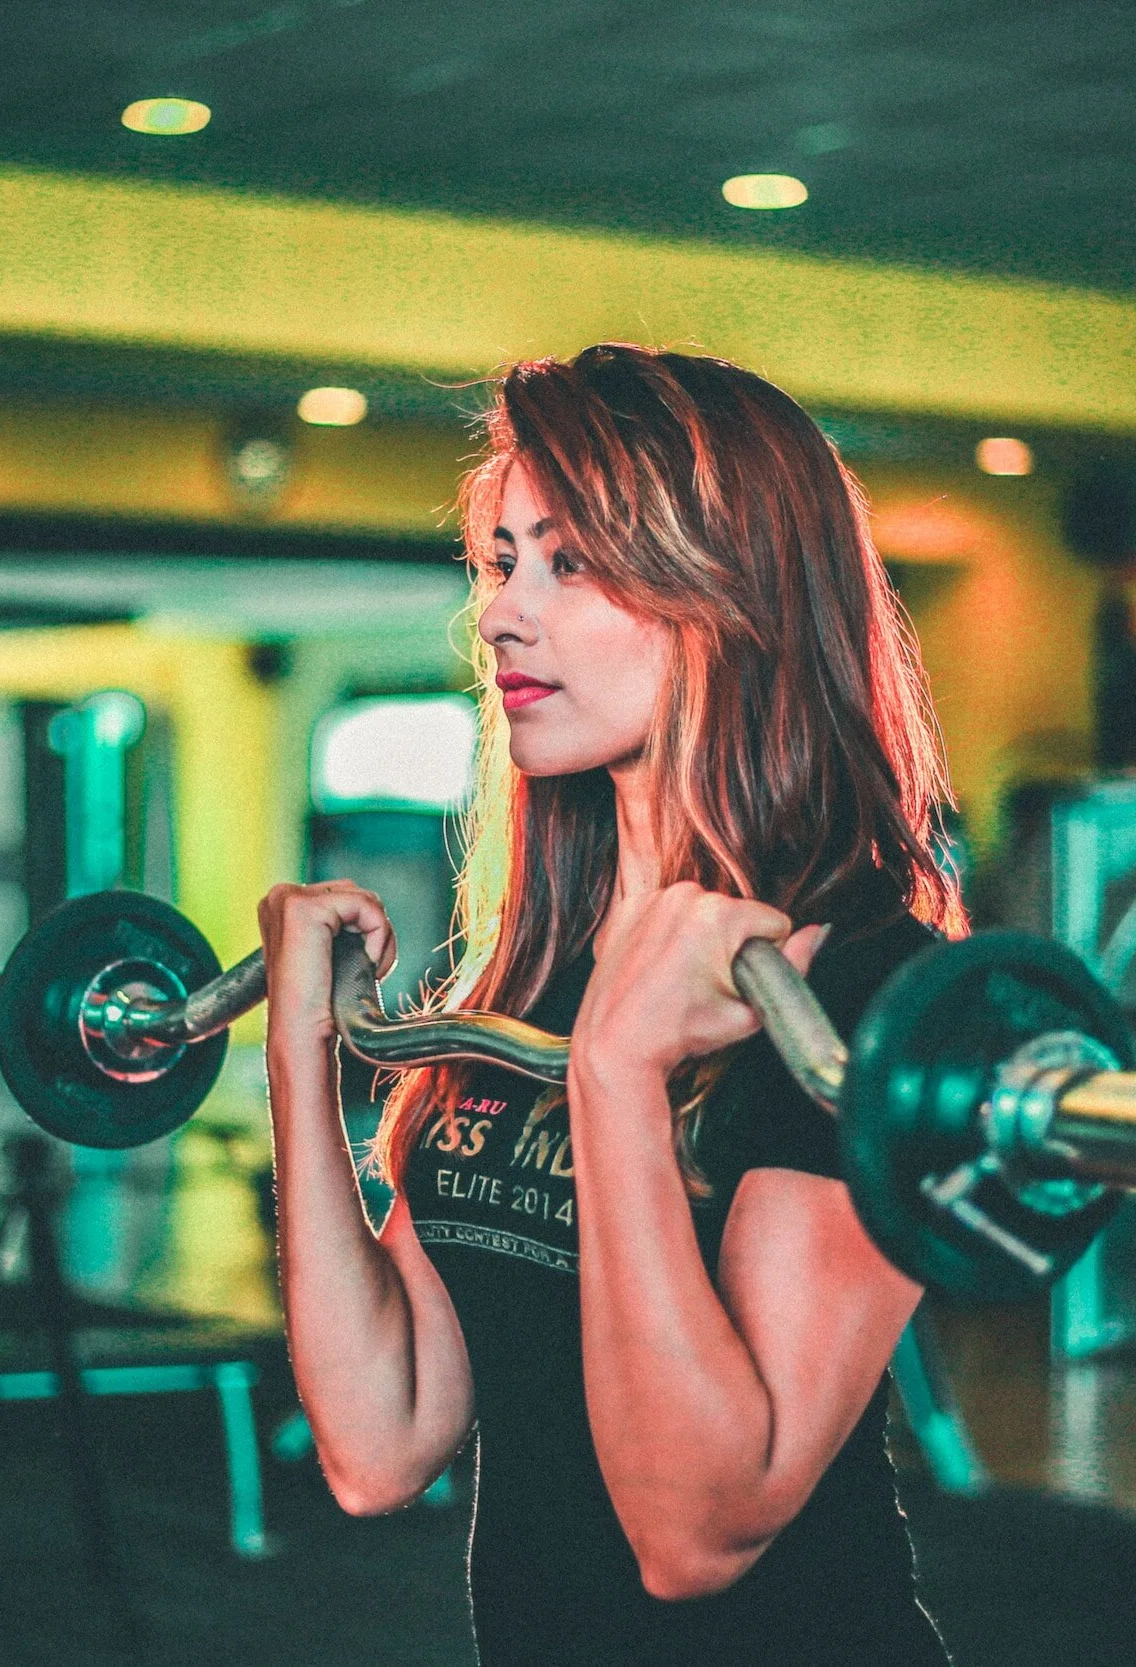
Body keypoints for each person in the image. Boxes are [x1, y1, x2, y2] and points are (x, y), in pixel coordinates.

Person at [261, 344, 962, 1665]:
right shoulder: (545, 973)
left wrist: (619, 1081)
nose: (504, 614)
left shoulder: (866, 987)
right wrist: (300, 1056)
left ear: (726, 590)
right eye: (500, 560)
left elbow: (696, 1531)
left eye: (569, 561)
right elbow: (379, 1438)